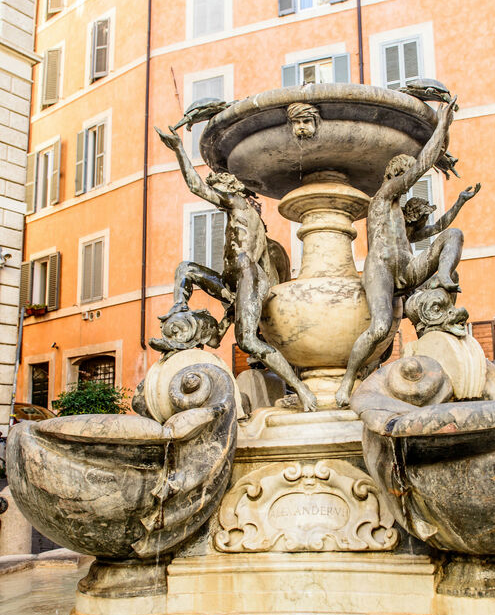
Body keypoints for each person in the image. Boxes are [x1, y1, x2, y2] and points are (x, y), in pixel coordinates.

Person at [156, 125, 317, 412]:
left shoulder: (238, 204)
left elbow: (195, 187)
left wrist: (180, 149)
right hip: (233, 281)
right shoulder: (239, 211)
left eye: (218, 183)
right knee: (186, 269)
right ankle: (183, 313)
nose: (213, 188)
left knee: (248, 341)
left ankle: (301, 389)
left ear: (232, 187)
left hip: (246, 279)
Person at [336, 98, 466, 407]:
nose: (409, 183)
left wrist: (460, 202)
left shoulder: (400, 213)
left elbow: (436, 229)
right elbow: (421, 166)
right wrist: (442, 125)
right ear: (395, 174)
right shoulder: (382, 197)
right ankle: (347, 380)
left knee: (454, 235)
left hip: (406, 266)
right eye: (405, 175)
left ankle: (444, 276)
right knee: (380, 328)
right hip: (381, 268)